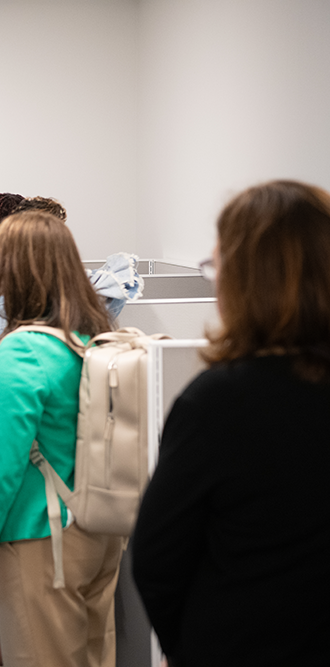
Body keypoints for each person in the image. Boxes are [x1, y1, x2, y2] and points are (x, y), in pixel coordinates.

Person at [131, 180, 330, 667]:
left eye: (217, 265)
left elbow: (156, 558)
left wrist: (193, 646)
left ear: (246, 278)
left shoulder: (218, 402)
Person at [0, 211, 124, 667]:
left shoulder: (24, 351)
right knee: (93, 656)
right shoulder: (95, 339)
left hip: (41, 536)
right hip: (99, 529)